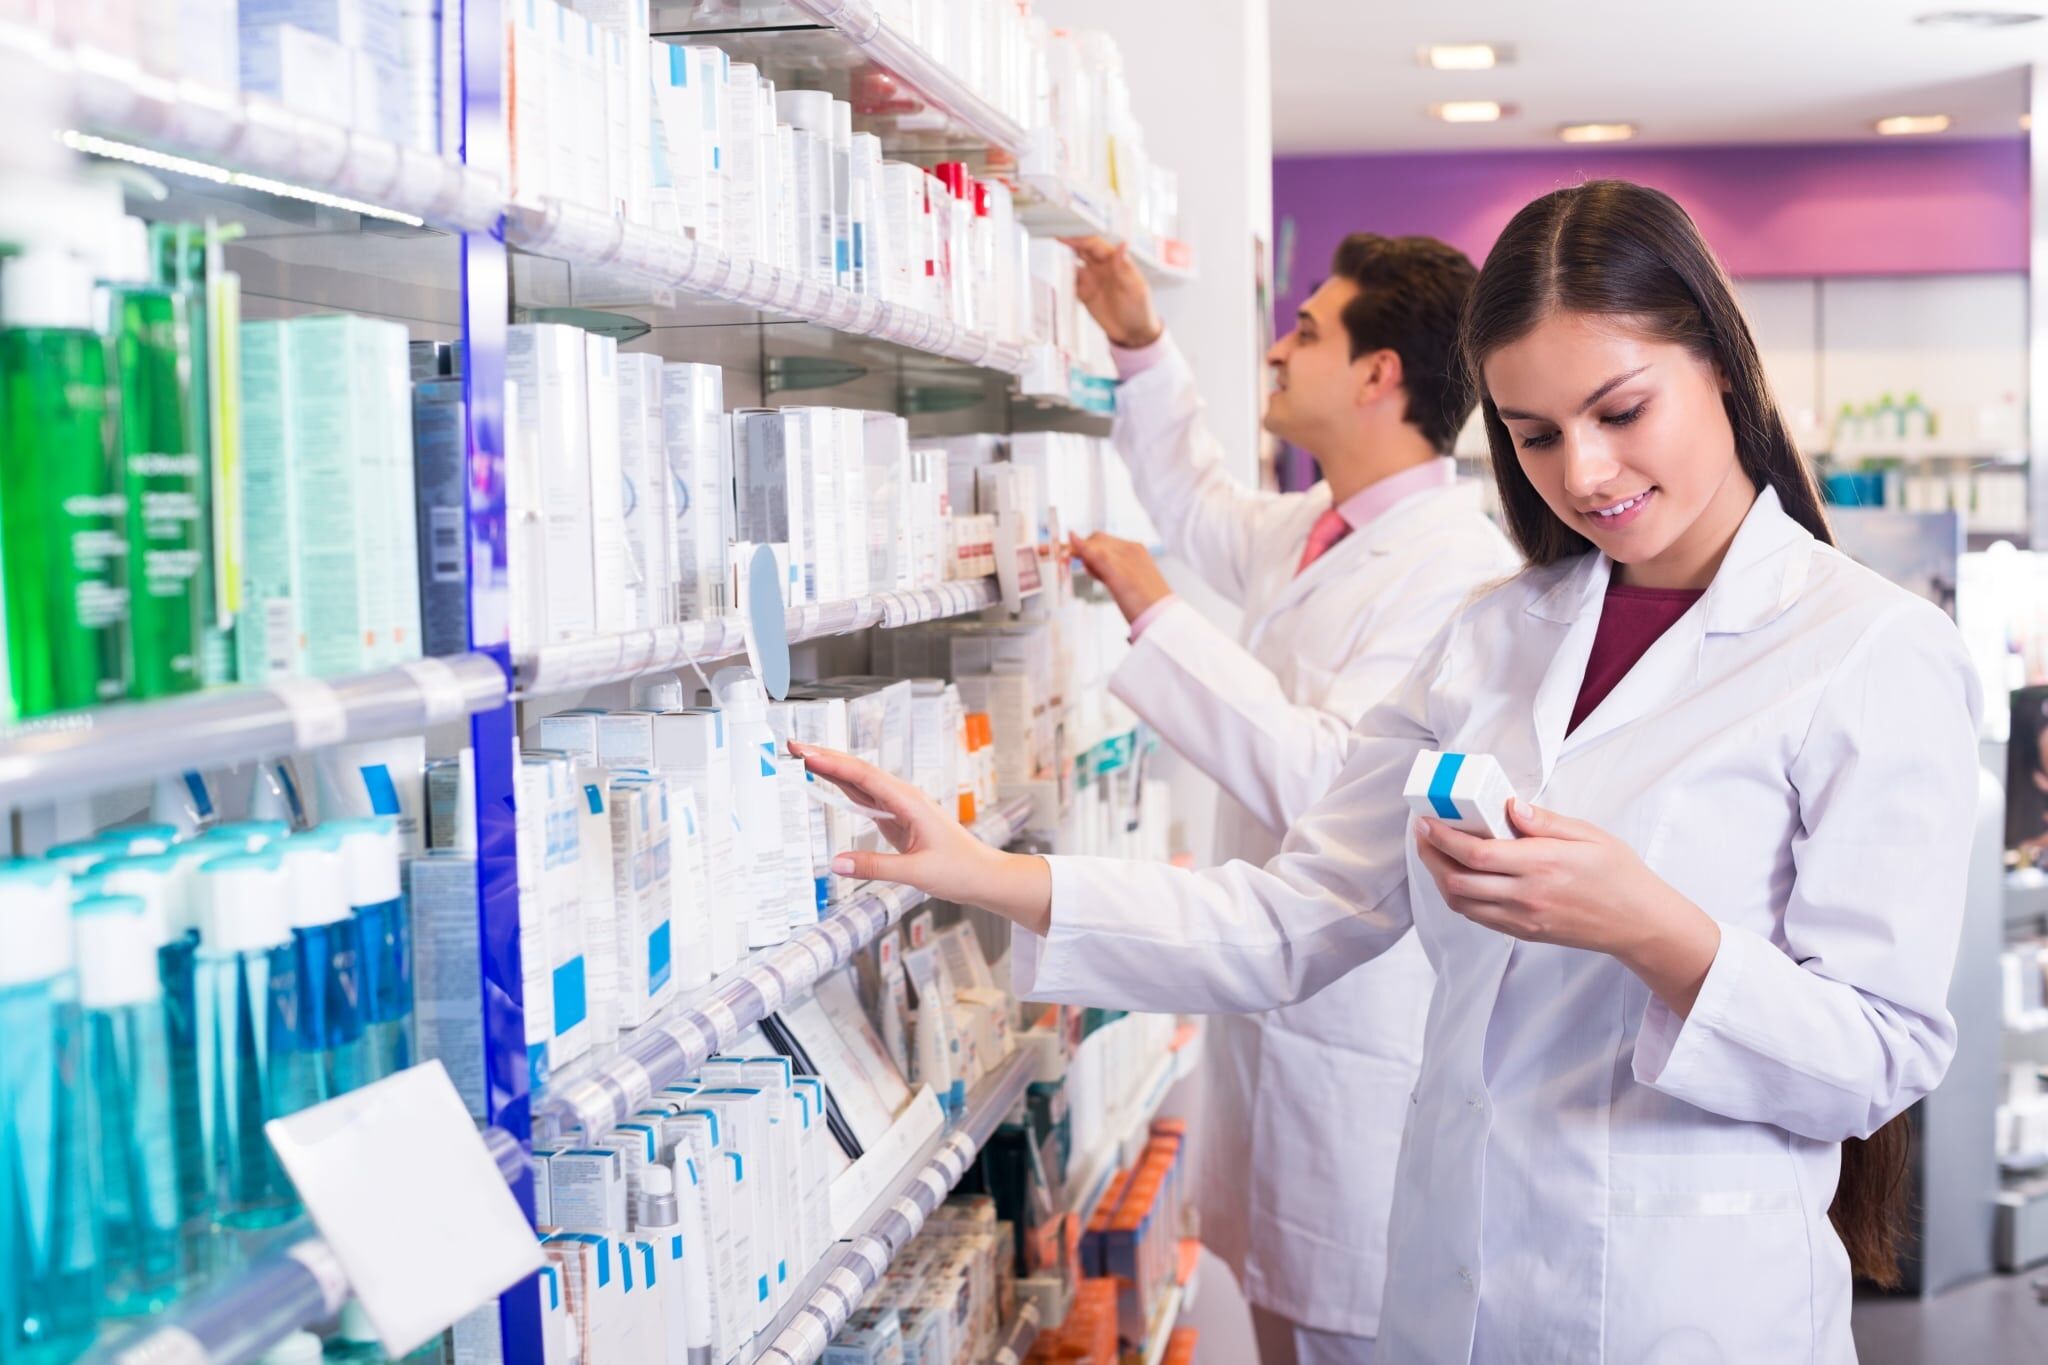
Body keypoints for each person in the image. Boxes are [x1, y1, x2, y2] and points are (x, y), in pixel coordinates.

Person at [795, 180, 1982, 1362]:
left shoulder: (1868, 649)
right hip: (1447, 1292)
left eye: (1620, 411)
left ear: (1719, 364)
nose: (1581, 473)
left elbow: (1873, 1057)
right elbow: (1291, 914)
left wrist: (1648, 927)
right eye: (1533, 435)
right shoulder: (1489, 634)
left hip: (1688, 1309)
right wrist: (991, 875)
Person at [1057, 232, 1516, 1365]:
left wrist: (1165, 622)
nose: (1274, 349)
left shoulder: (1451, 567)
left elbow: (1335, 786)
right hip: (1275, 1041)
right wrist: (1135, 336)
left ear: (1378, 376)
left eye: (1305, 331)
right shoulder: (1313, 529)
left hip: (1356, 1059)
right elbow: (1198, 500)